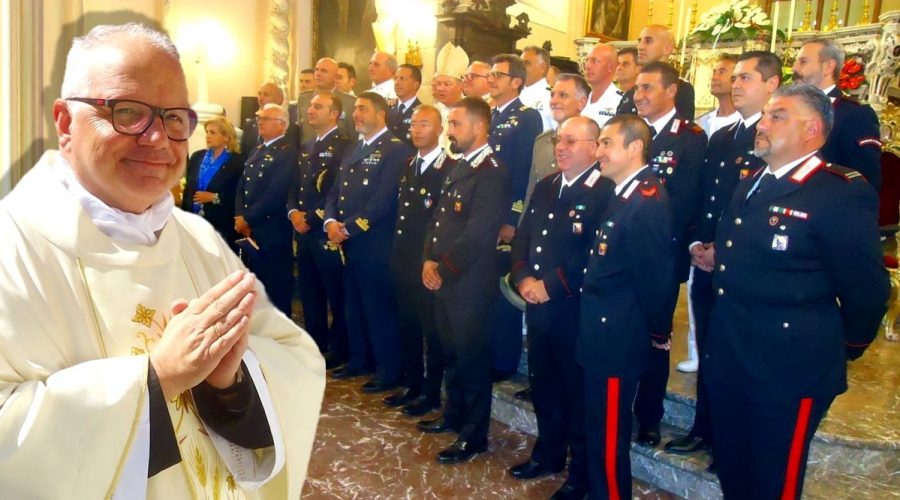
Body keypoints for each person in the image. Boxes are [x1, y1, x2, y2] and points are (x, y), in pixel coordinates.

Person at [0, 23, 324, 498]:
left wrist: (230, 383)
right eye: (127, 111)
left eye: (174, 118)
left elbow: (294, 359)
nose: (157, 139)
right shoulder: (14, 246)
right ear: (66, 122)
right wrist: (156, 378)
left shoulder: (198, 240)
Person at [705, 84, 889, 499]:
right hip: (732, 349)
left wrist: (845, 345)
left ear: (812, 129)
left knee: (774, 479)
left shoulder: (837, 191)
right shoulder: (750, 181)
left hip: (789, 362)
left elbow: (867, 289)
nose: (763, 124)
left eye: (777, 116)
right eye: (765, 114)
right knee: (734, 468)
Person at [508, 116, 614, 500]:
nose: (561, 147)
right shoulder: (548, 185)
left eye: (571, 140)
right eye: (558, 139)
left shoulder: (605, 190)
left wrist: (549, 286)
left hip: (573, 310)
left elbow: (593, 255)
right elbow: (524, 237)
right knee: (545, 386)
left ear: (594, 146)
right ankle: (548, 454)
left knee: (576, 393)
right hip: (538, 308)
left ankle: (580, 474)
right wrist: (521, 279)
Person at [580, 114, 675, 500]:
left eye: (606, 143)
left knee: (608, 435)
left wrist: (658, 333)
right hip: (601, 331)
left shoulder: (646, 202)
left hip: (618, 336)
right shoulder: (624, 194)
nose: (598, 151)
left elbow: (656, 279)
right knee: (597, 428)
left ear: (635, 148)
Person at [417, 97, 511, 464]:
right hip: (445, 276)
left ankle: (474, 436)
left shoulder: (492, 170)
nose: (449, 131)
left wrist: (441, 268)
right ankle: (453, 415)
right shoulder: (459, 165)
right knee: (451, 353)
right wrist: (427, 258)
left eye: (455, 124)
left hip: (468, 283)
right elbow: (438, 219)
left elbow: (478, 234)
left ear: (478, 127)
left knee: (472, 361)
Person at [632, 61, 707, 447]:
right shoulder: (629, 129)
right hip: (619, 253)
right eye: (637, 88)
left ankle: (649, 416)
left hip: (661, 255)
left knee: (655, 337)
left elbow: (684, 201)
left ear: (671, 91)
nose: (639, 95)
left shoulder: (689, 137)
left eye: (648, 87)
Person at [325, 92, 414, 392]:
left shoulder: (396, 149)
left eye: (363, 109)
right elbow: (335, 191)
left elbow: (384, 200)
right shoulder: (354, 148)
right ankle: (359, 359)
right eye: (355, 110)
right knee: (354, 304)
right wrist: (330, 221)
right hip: (349, 242)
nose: (356, 115)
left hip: (375, 242)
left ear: (381, 113)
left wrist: (347, 229)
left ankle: (388, 370)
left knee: (379, 309)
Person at [385, 105, 455, 417]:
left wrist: (433, 260)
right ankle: (412, 383)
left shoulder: (448, 168)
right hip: (403, 258)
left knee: (432, 330)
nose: (416, 130)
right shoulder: (409, 163)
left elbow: (441, 221)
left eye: (424, 124)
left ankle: (430, 392)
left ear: (439, 129)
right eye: (413, 124)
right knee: (407, 324)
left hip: (427, 262)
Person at [487, 53, 544, 380]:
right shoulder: (489, 114)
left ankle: (504, 360)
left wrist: (513, 217)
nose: (491, 79)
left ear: (516, 82)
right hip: (483, 212)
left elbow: (526, 172)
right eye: (490, 74)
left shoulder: (526, 117)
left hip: (505, 214)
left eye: (499, 74)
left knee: (503, 292)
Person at [287, 92, 351, 364]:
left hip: (324, 229)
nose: (310, 110)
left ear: (334, 113)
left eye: (317, 106)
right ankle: (314, 344)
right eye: (310, 106)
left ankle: (339, 350)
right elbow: (295, 184)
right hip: (302, 230)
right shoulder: (306, 145)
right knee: (310, 293)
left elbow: (335, 192)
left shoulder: (344, 146)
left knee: (335, 294)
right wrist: (292, 212)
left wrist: (310, 218)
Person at [792, 38, 883, 192]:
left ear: (828, 67)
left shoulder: (853, 114)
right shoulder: (791, 109)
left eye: (803, 62)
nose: (794, 69)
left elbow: (864, 179)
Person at [235, 103, 299, 317]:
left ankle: (279, 335)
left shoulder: (287, 152)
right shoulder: (257, 149)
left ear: (281, 125)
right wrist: (239, 215)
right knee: (255, 284)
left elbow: (276, 193)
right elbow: (242, 185)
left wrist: (249, 218)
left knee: (276, 286)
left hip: (272, 229)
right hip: (251, 228)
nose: (259, 122)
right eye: (259, 118)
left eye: (265, 118)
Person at [525, 73, 591, 217]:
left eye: (562, 95)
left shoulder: (593, 142)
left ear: (581, 102)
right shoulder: (542, 141)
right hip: (540, 220)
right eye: (553, 95)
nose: (554, 101)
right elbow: (531, 190)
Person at [181, 116, 245, 250]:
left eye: (213, 132)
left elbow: (240, 194)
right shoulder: (197, 156)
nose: (208, 136)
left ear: (226, 137)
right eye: (207, 132)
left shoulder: (237, 162)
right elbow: (188, 189)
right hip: (193, 221)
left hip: (221, 223)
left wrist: (214, 197)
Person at [617, 25, 695, 119]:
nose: (640, 47)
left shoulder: (681, 88)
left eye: (648, 41)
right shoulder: (631, 91)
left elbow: (680, 129)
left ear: (667, 48)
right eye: (639, 41)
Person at [296, 58, 357, 142]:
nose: (318, 74)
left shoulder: (350, 102)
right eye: (317, 70)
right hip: (307, 152)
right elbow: (300, 132)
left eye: (323, 71)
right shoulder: (304, 98)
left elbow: (353, 138)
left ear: (336, 77)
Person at [240, 82, 301, 153]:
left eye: (266, 94)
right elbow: (242, 155)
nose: (260, 98)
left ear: (279, 99)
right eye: (259, 94)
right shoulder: (250, 125)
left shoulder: (291, 128)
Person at [695, 54, 740, 139]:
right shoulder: (702, 121)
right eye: (714, 72)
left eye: (721, 72)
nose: (714, 78)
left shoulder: (745, 121)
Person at [581, 43, 624, 127]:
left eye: (595, 61)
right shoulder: (581, 98)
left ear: (610, 67)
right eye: (587, 60)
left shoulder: (621, 102)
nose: (587, 66)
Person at [520, 45, 555, 131]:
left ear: (542, 67)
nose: (521, 68)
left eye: (526, 64)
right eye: (520, 64)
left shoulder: (552, 96)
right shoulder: (514, 93)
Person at [388, 63, 422, 146]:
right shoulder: (387, 107)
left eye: (402, 79)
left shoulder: (421, 112)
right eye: (395, 78)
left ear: (415, 85)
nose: (397, 82)